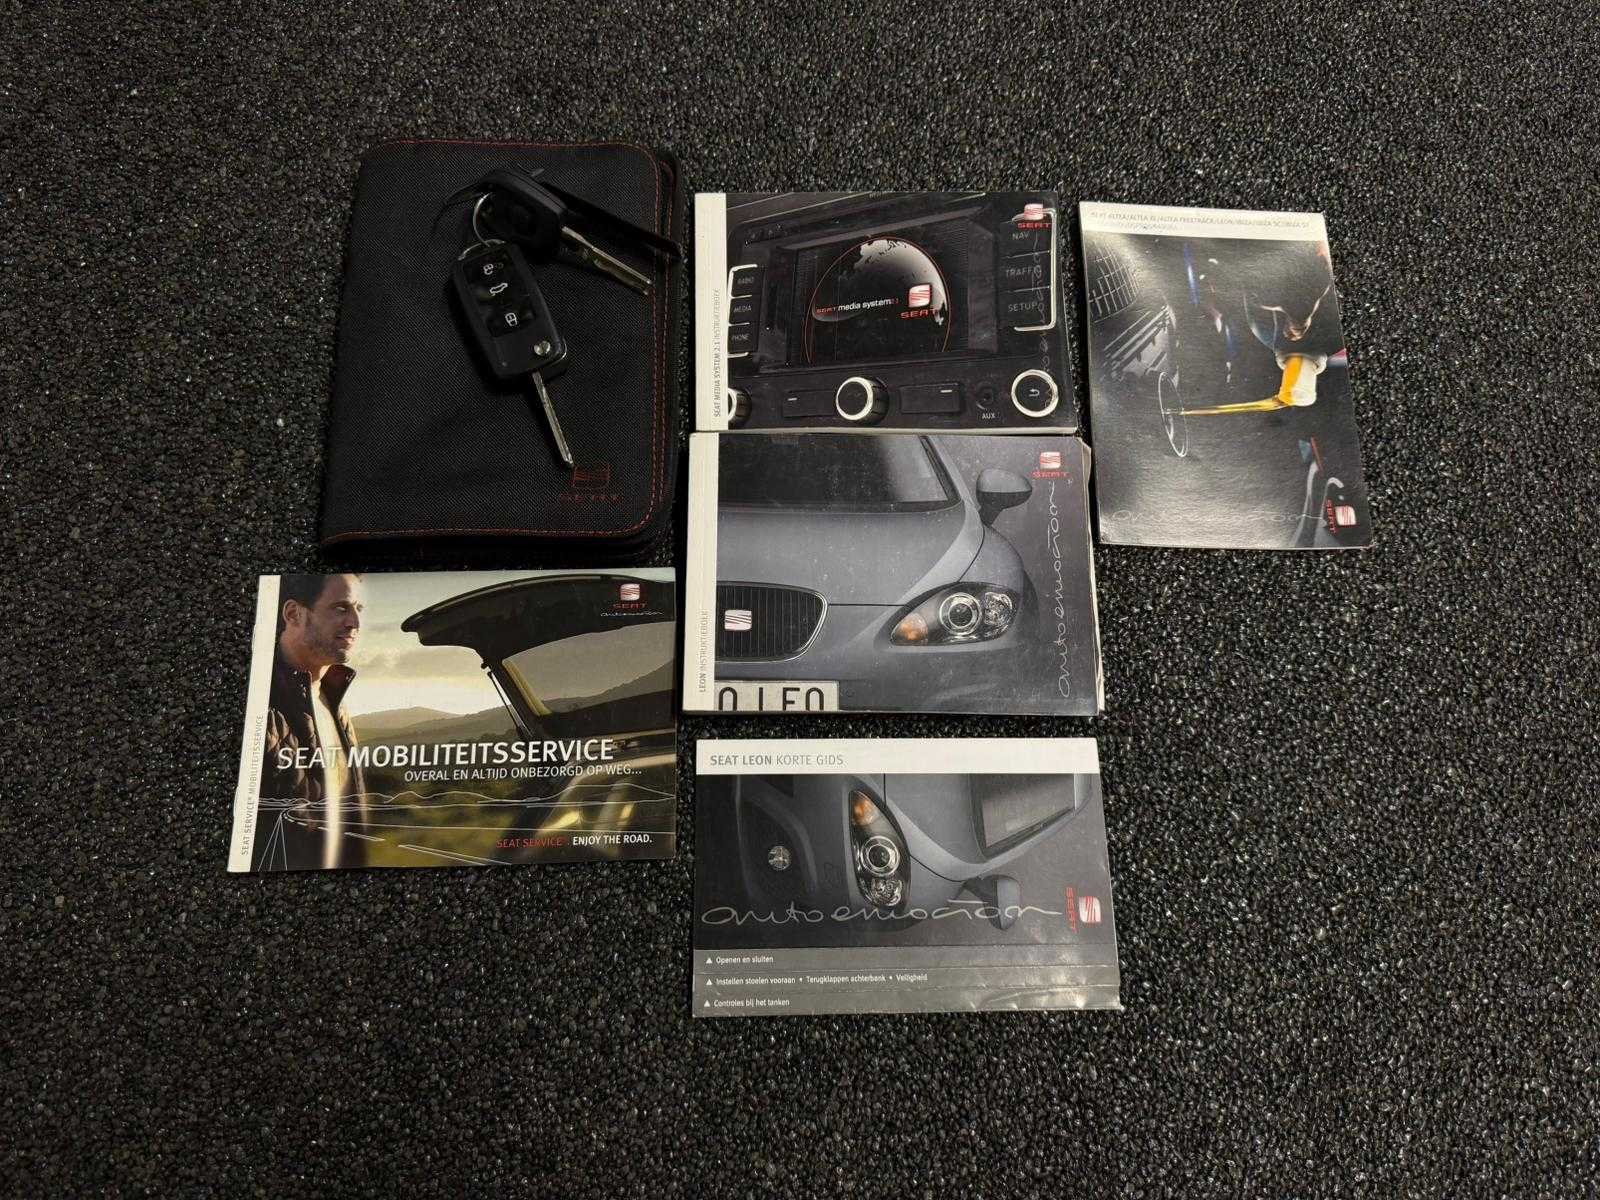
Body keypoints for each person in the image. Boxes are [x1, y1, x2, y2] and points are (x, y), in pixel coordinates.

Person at [255, 573, 370, 870]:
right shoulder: (258, 703)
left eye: (359, 609)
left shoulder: (334, 698)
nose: (355, 622)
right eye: (341, 608)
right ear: (294, 614)